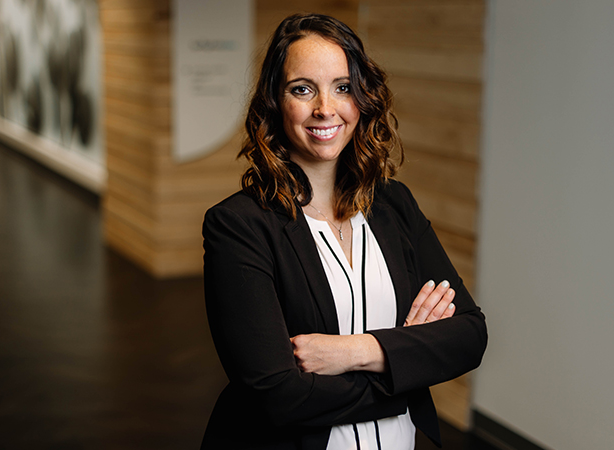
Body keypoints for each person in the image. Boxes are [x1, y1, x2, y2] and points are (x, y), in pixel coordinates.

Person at [201, 13, 487, 450]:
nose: (325, 108)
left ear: (363, 98)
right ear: (276, 103)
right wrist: (407, 363)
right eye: (302, 89)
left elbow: (469, 336)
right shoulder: (239, 226)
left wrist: (356, 351)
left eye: (343, 87)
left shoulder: (394, 205)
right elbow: (278, 395)